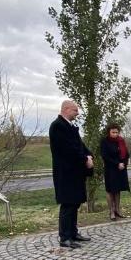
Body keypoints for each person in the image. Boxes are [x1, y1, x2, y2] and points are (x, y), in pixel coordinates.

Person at [50, 100, 94, 249]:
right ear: (66, 109)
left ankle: (73, 233)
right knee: (67, 204)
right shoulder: (58, 126)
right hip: (66, 173)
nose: (77, 113)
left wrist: (89, 155)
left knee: (74, 203)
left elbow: (80, 145)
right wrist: (84, 159)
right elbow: (68, 150)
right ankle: (65, 237)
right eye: (75, 110)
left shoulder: (69, 126)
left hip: (75, 173)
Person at [99, 124, 130, 221]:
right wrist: (117, 164)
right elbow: (105, 156)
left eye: (116, 132)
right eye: (113, 132)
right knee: (110, 190)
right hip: (110, 169)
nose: (115, 134)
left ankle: (117, 210)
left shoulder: (121, 141)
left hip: (121, 169)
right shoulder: (105, 141)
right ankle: (111, 211)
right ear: (109, 132)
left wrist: (123, 164)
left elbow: (126, 154)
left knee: (117, 189)